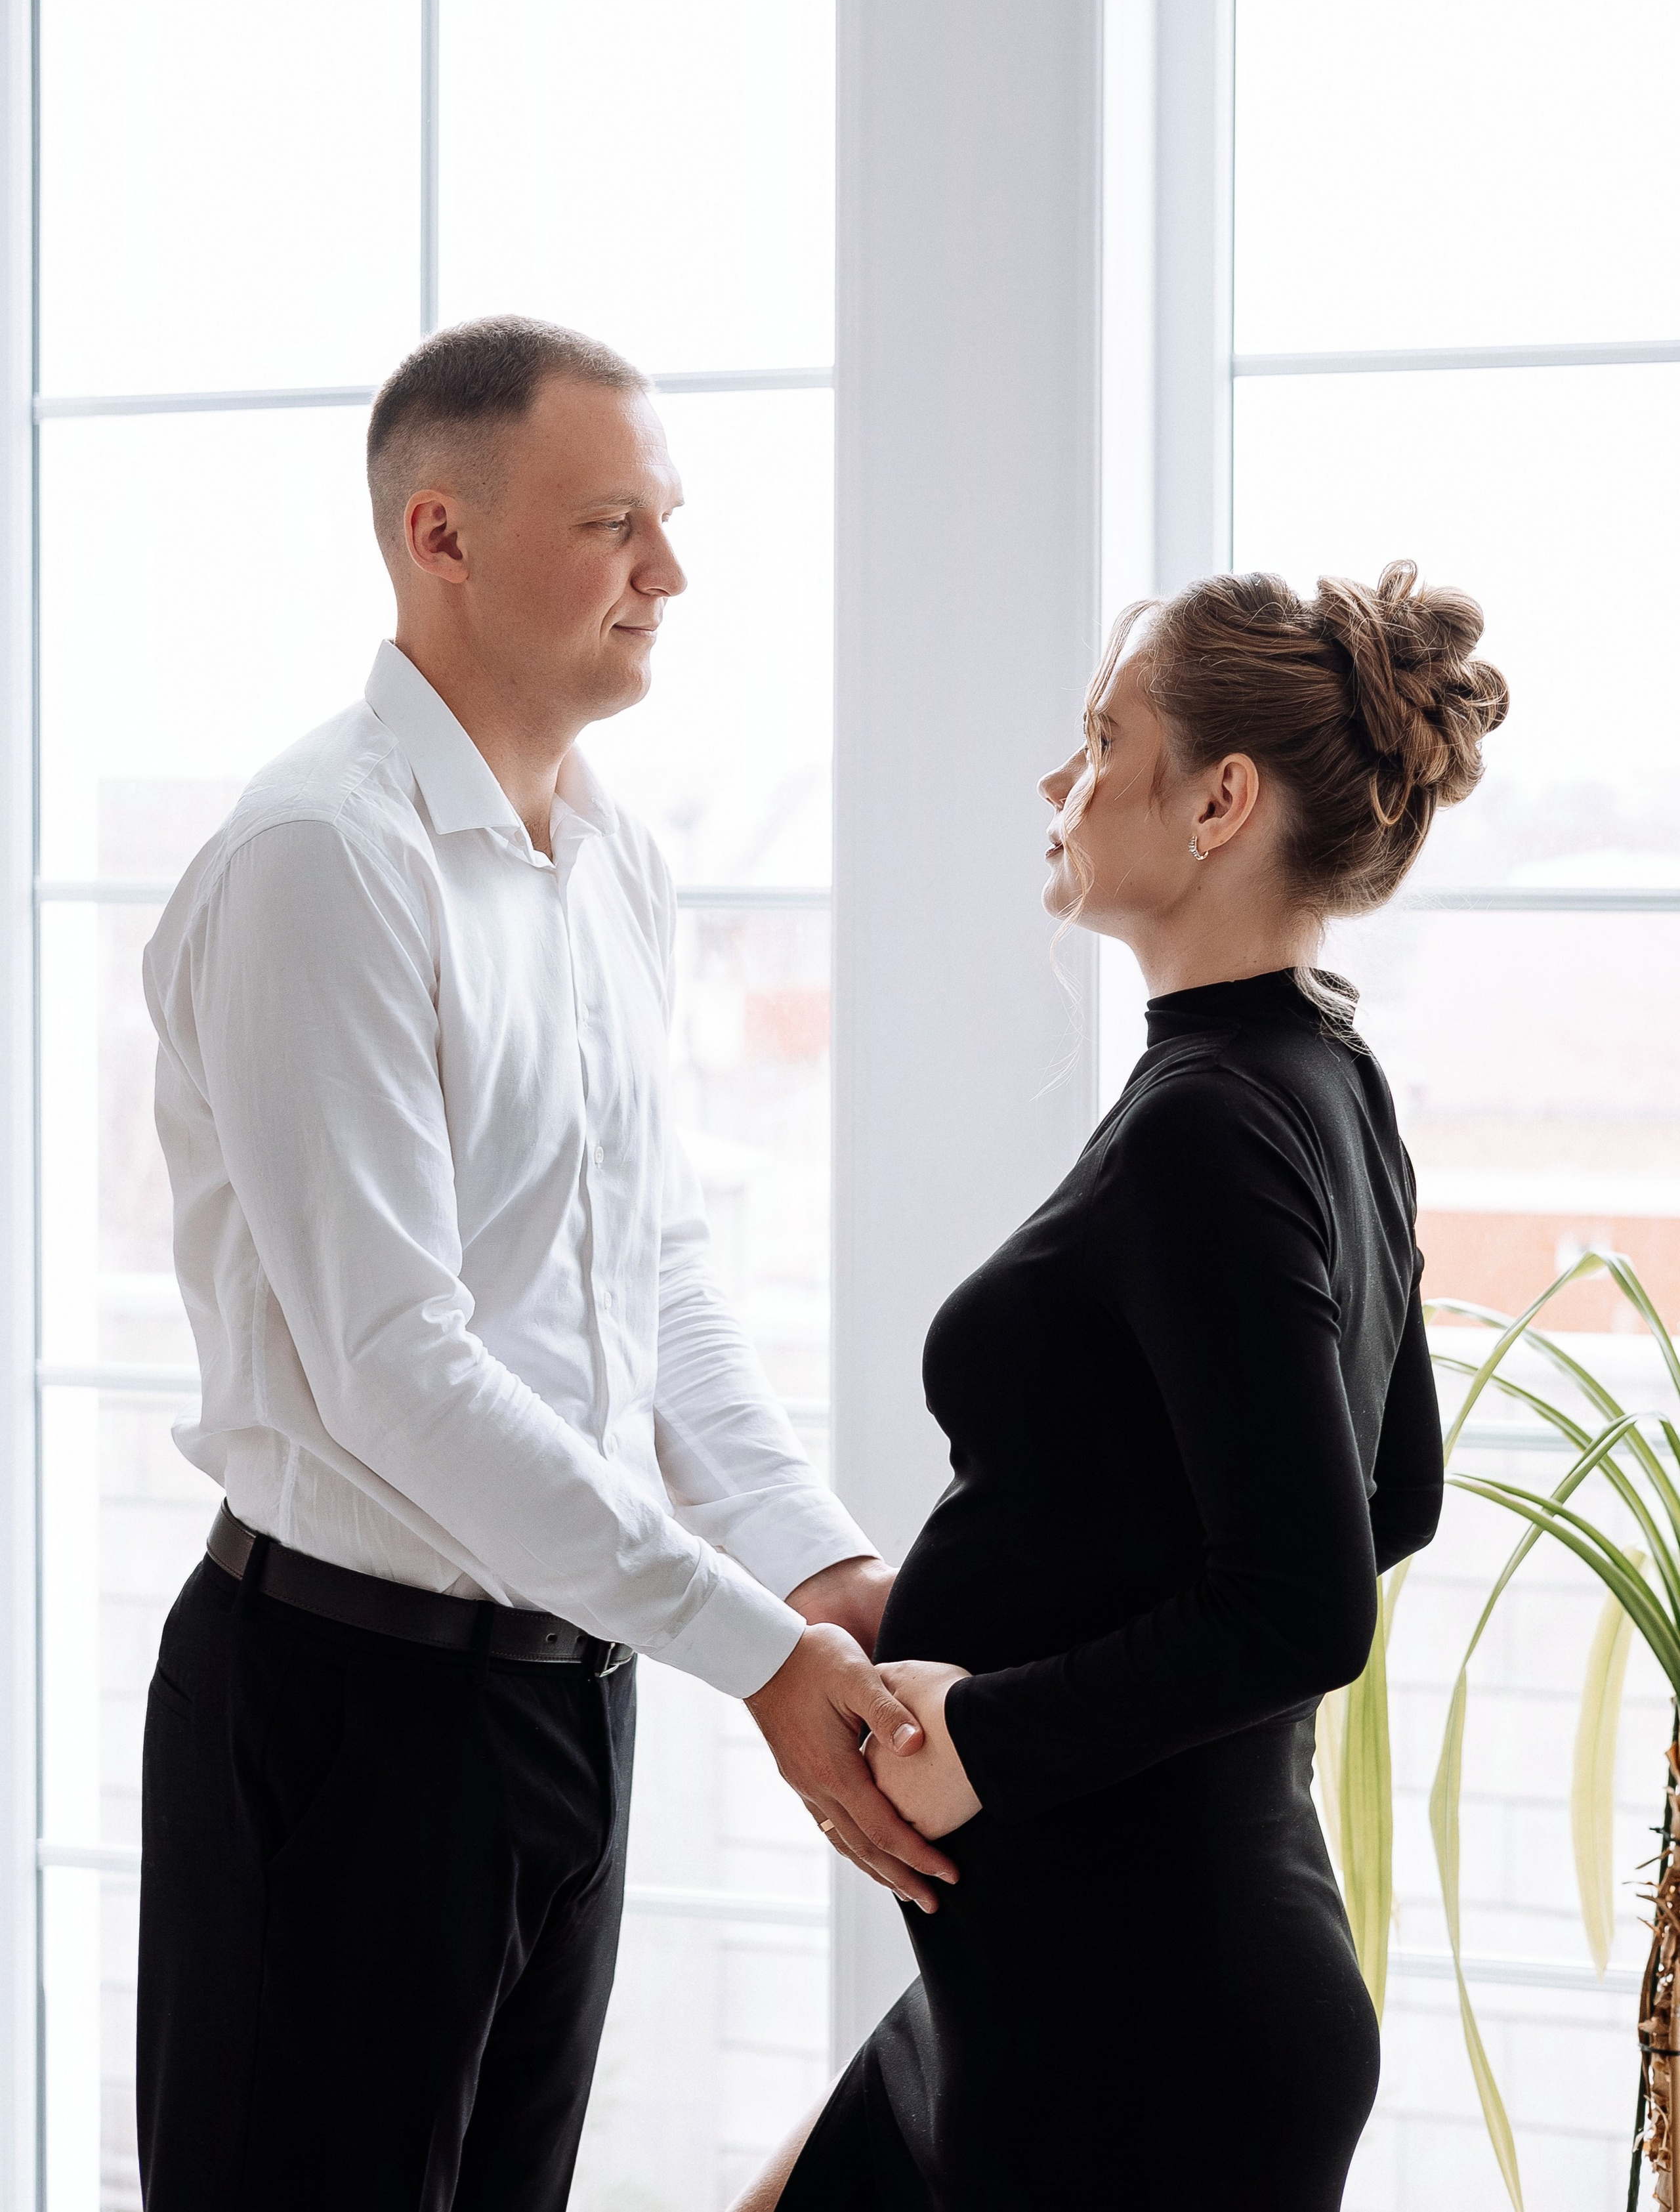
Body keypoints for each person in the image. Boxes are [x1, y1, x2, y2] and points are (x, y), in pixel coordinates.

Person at [135, 316, 950, 2212]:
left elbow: (649, 1274)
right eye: (614, 525)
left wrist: (814, 1563)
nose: (670, 572)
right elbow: (396, 1365)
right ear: (440, 533)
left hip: (562, 1701)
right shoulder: (323, 862)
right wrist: (758, 1656)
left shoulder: (616, 863)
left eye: (665, 521)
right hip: (341, 1710)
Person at [739, 563, 1509, 2211]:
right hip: (1067, 1975)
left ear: (1220, 798)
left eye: (1099, 738)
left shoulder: (1212, 1123)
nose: (1057, 780)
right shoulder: (1317, 1079)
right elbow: (1398, 1493)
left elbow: (1307, 1600)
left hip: (1139, 2021)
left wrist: (991, 1732)